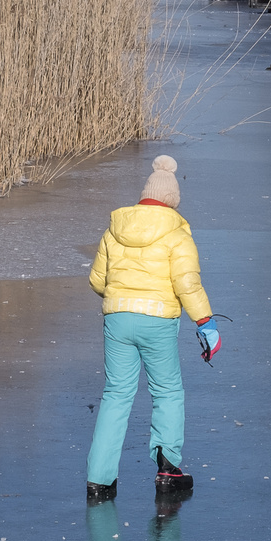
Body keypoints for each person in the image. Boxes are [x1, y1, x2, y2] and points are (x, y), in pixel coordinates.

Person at [86, 156, 219, 500]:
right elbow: (187, 284)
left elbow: (97, 280)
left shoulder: (115, 228)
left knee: (116, 395)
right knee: (167, 393)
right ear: (172, 201)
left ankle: (99, 479)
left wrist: (123, 297)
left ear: (144, 195)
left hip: (117, 319)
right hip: (157, 321)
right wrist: (205, 322)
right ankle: (168, 469)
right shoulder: (176, 233)